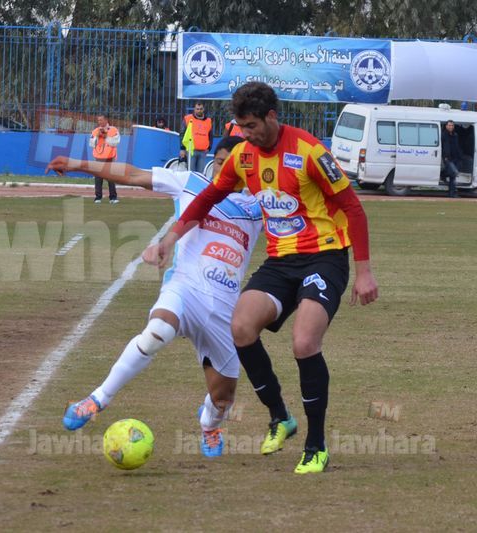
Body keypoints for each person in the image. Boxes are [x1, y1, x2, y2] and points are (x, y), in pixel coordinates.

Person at [150, 81, 379, 474]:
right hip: (280, 261)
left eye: (252, 126)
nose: (246, 134)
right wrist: (171, 237)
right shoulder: (243, 156)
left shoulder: (309, 151)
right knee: (240, 327)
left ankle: (316, 445)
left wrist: (364, 272)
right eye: (241, 127)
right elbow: (208, 198)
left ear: (272, 116)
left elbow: (353, 208)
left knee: (304, 342)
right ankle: (280, 417)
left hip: (324, 257)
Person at [48, 136, 261, 457]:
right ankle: (96, 400)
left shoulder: (256, 208)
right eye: (220, 162)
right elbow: (132, 174)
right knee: (157, 331)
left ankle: (209, 425)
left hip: (223, 310)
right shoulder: (190, 182)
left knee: (223, 399)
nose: (224, 169)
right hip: (184, 289)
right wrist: (78, 164)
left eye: (234, 165)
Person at [89, 114, 121, 204]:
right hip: (98, 158)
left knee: (111, 178)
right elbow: (91, 144)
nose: (99, 122)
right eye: (98, 120)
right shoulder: (95, 131)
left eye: (101, 120)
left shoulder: (113, 130)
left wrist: (106, 136)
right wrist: (97, 136)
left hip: (110, 158)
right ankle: (98, 197)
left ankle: (113, 198)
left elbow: (116, 142)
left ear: (106, 120)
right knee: (98, 179)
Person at [180, 101, 213, 173]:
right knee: (191, 173)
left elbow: (210, 135)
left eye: (201, 109)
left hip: (203, 152)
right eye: (197, 109)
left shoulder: (208, 121)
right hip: (191, 150)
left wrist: (209, 147)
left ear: (203, 109)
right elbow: (182, 134)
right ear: (194, 109)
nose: (199, 110)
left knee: (200, 174)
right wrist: (182, 149)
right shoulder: (188, 118)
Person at [441, 120, 462, 198]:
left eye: (452, 125)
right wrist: (445, 157)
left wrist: (460, 156)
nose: (451, 127)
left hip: (455, 158)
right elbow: (442, 147)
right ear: (446, 126)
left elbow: (457, 146)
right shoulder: (443, 135)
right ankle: (442, 174)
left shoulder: (455, 135)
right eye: (449, 125)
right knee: (454, 173)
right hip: (447, 158)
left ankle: (451, 194)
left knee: (452, 176)